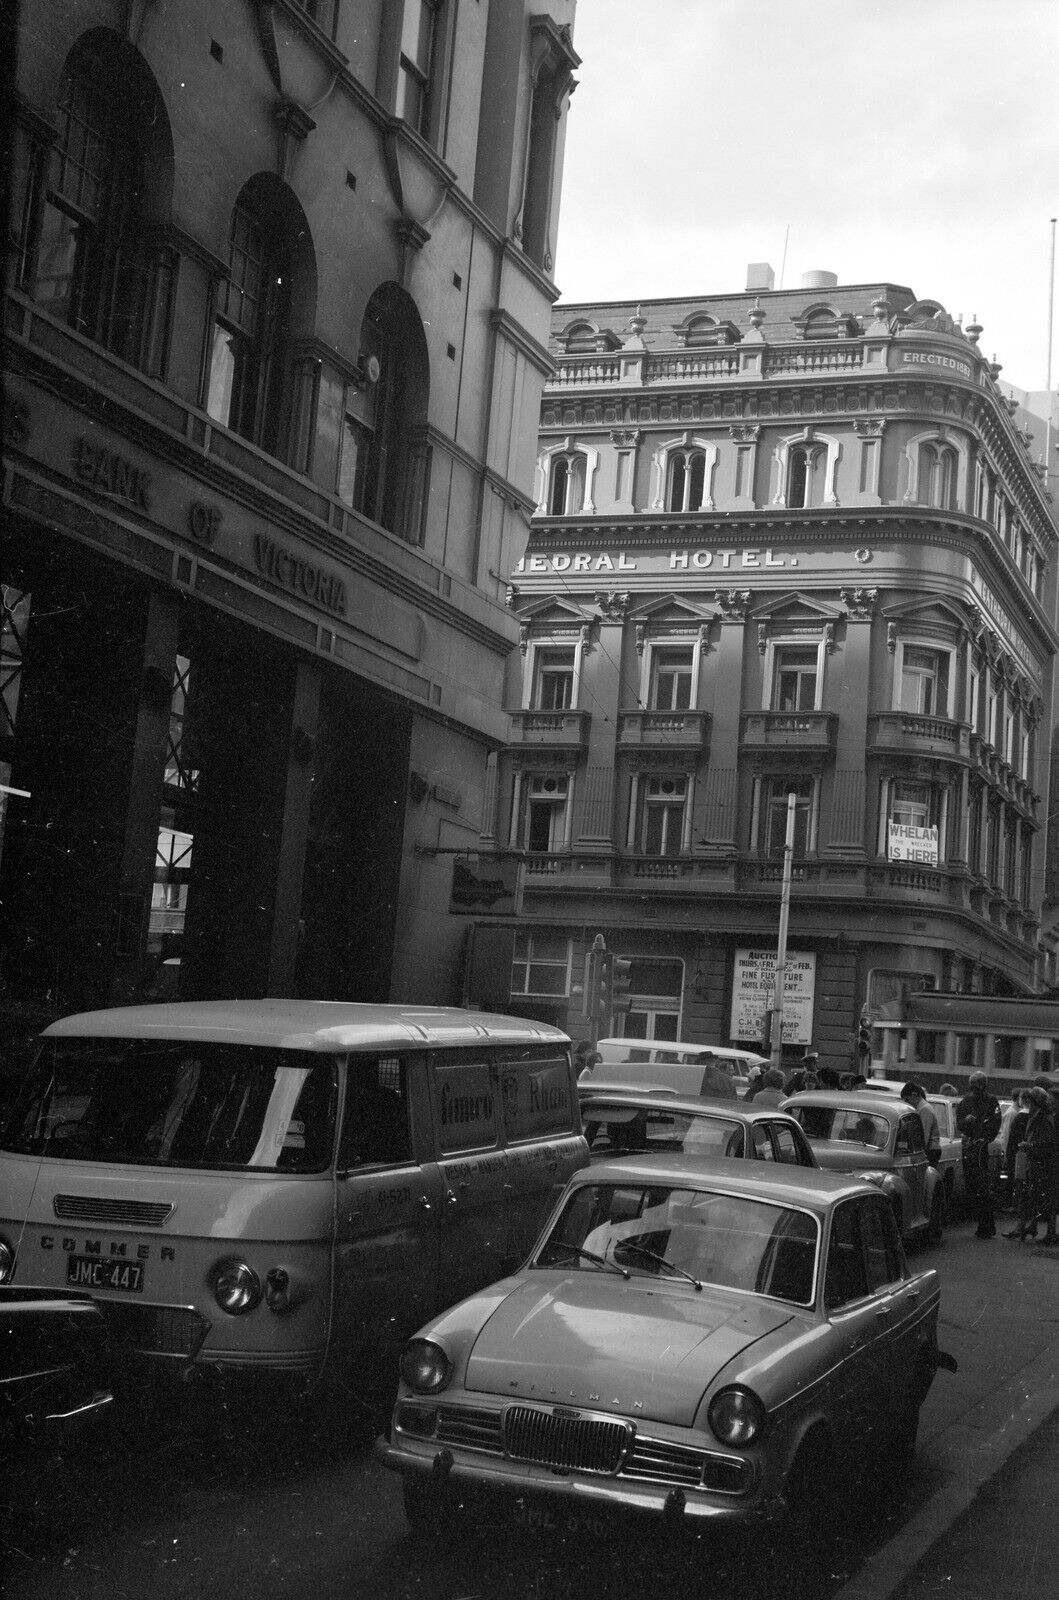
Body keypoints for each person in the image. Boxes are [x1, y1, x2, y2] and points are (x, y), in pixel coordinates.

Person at [956, 1071, 1002, 1238]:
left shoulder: (990, 1101)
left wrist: (984, 1139)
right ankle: (983, 1223)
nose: (975, 1090)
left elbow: (995, 1123)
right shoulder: (967, 1101)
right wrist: (966, 1123)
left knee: (982, 1186)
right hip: (971, 1145)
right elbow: (959, 1123)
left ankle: (986, 1225)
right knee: (975, 1186)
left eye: (977, 1086)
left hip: (981, 1147)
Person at [1022, 1086, 1059, 1246]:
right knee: (1048, 1198)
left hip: (1052, 1162)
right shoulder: (1051, 1116)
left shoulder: (1049, 1118)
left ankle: (1050, 1233)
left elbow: (1050, 1142)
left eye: (1051, 1099)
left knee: (1050, 1198)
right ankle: (1045, 1230)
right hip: (1051, 1161)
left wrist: (1031, 1145)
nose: (1049, 1101)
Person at [1004, 1091, 1034, 1240]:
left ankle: (1021, 1226)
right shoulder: (1035, 1117)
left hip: (1021, 1158)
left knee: (1022, 1191)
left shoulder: (1019, 1116)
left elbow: (1010, 1139)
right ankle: (1030, 1225)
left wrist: (1008, 1157)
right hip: (1031, 1159)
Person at [901, 1081, 941, 1167]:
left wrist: (918, 1153)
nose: (906, 1103)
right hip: (929, 1149)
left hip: (930, 1151)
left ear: (914, 1095)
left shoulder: (924, 1109)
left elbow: (924, 1135)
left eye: (907, 1099)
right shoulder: (922, 1108)